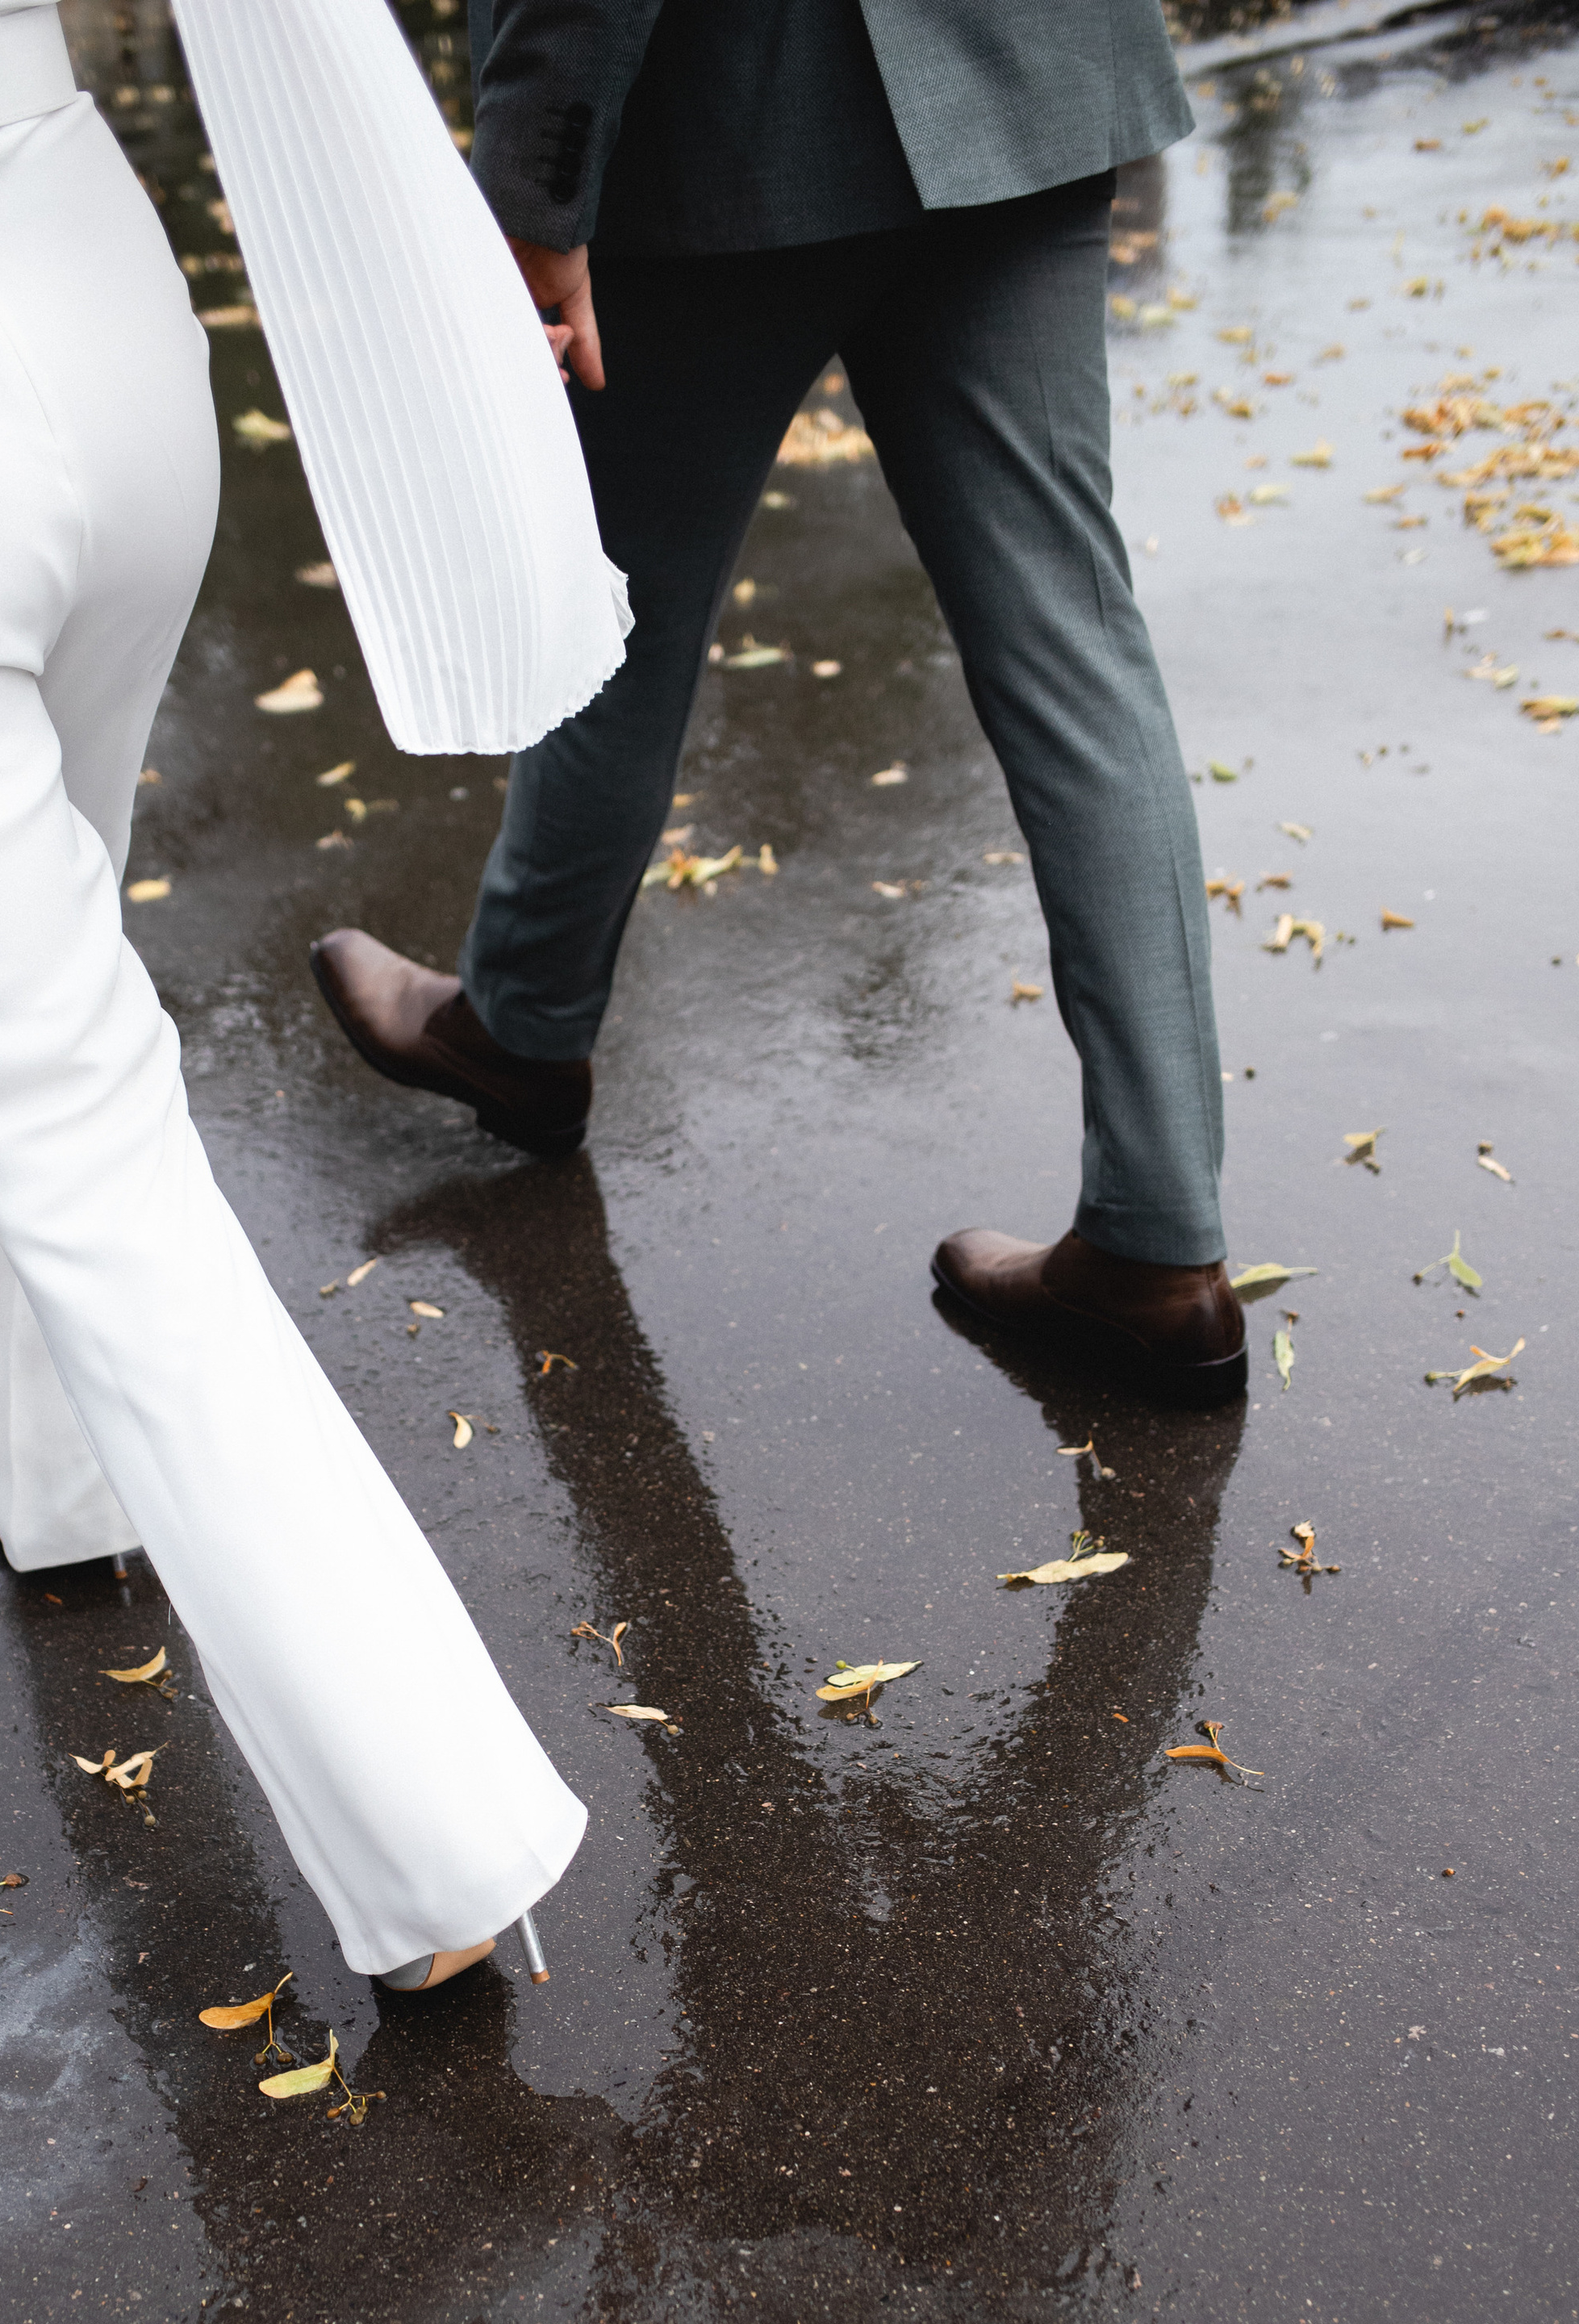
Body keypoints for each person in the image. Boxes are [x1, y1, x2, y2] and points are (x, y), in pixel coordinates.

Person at [0, 0, 634, 1989]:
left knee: (61, 1101)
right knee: (35, 994)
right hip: (92, 298)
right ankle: (51, 1476)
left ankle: (427, 1835)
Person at [309, 0, 1248, 1408]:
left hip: (729, 112)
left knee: (621, 598)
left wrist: (538, 181)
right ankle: (1163, 1246)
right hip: (1018, 75)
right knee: (1074, 639)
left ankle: (522, 1022)